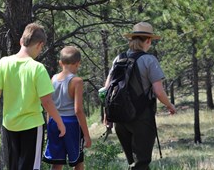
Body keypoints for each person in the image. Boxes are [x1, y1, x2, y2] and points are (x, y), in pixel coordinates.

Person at [0, 23, 66, 170]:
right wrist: (60, 123)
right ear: (40, 45)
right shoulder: (38, 68)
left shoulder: (3, 63)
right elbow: (47, 101)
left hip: (9, 125)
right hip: (32, 126)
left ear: (21, 41)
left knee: (13, 166)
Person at [104, 22, 176, 170]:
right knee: (141, 163)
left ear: (132, 39)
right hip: (141, 118)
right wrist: (170, 105)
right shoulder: (149, 60)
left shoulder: (118, 59)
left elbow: (107, 89)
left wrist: (107, 113)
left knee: (133, 163)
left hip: (120, 118)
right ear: (148, 40)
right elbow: (158, 91)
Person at [43, 46, 92, 170]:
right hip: (71, 124)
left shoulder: (53, 78)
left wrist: (49, 125)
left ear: (60, 63)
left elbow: (49, 104)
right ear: (77, 63)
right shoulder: (77, 81)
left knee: (57, 161)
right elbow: (78, 110)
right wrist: (86, 135)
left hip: (55, 122)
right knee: (78, 161)